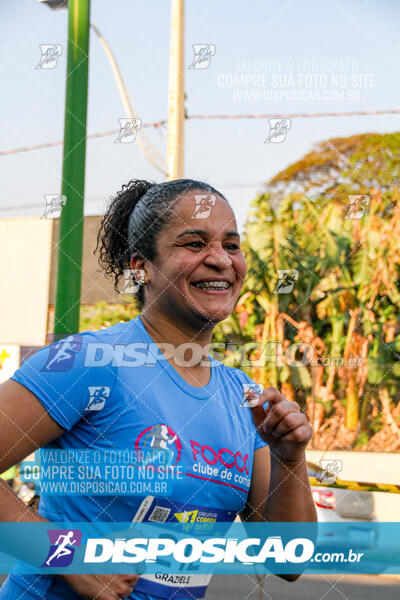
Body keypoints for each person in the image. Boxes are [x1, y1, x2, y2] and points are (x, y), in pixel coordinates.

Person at [0, 179, 316, 599]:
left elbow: (288, 561)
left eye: (232, 244)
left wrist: (289, 459)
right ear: (141, 267)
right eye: (194, 243)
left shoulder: (244, 398)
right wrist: (64, 553)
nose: (221, 259)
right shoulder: (88, 363)